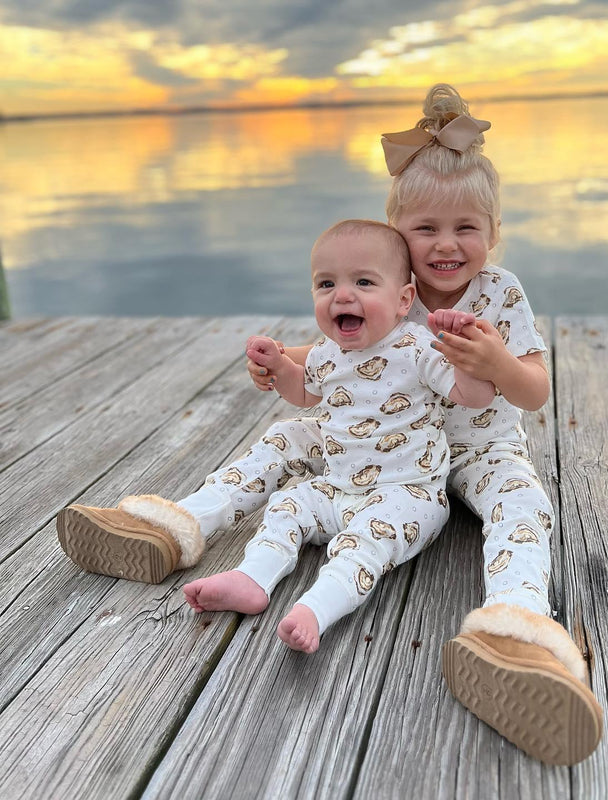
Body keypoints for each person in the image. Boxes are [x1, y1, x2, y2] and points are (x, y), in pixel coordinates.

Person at [58, 83, 603, 765]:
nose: (446, 245)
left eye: (466, 228)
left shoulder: (501, 292)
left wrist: (494, 358)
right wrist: (276, 361)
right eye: (425, 229)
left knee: (523, 503)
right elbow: (331, 353)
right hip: (385, 446)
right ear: (397, 235)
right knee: (285, 438)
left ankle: (516, 629)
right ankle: (180, 522)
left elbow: (536, 391)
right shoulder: (383, 282)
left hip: (480, 445)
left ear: (492, 233)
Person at [58, 219, 495, 656]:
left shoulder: (418, 347)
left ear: (403, 300)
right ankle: (252, 577)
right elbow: (303, 394)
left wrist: (465, 355)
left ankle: (316, 609)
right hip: (337, 487)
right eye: (326, 284)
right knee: (288, 506)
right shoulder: (327, 353)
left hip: (406, 494)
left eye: (363, 282)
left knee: (364, 547)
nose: (342, 295)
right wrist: (283, 366)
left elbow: (472, 396)